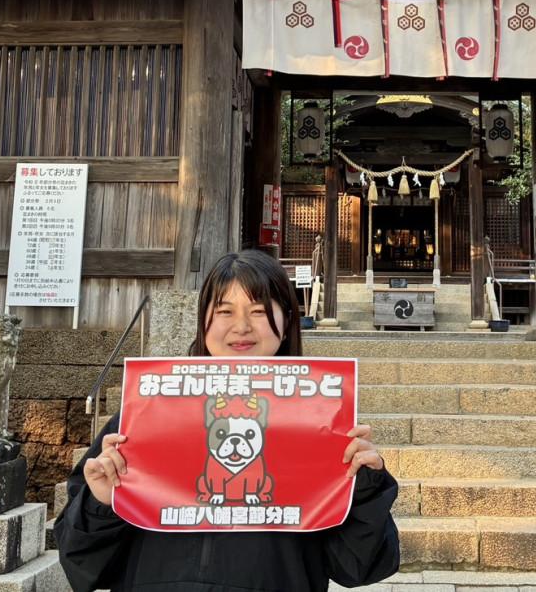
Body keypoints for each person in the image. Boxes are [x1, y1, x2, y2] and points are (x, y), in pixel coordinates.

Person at [55, 249, 400, 591]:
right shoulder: (145, 415)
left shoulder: (320, 424)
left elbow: (358, 567)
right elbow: (81, 564)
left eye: (259, 311)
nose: (241, 327)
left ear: (286, 323)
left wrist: (363, 488)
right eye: (224, 311)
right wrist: (101, 502)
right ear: (203, 321)